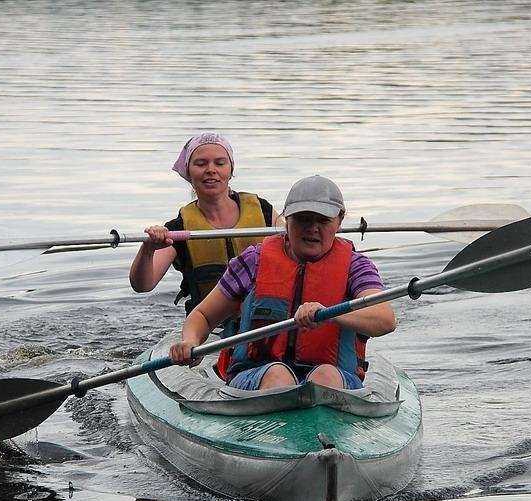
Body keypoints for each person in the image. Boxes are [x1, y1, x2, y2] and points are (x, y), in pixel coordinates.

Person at [168, 175, 396, 391]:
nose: (312, 228)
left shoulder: (356, 267)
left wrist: (329, 314)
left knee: (324, 377)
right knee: (279, 375)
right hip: (255, 373)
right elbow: (203, 316)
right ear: (287, 219)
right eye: (303, 219)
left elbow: (385, 320)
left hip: (334, 377)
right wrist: (190, 341)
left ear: (339, 221)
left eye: (323, 220)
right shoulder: (254, 260)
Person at [129, 132, 281, 314]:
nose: (211, 170)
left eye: (220, 163)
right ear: (188, 172)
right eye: (201, 164)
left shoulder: (263, 211)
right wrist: (148, 248)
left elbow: (296, 243)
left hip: (264, 319)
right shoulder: (178, 229)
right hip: (208, 326)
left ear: (231, 170)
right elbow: (143, 285)